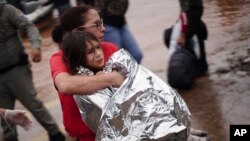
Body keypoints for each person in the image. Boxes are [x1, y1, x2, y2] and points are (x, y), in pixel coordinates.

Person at [50, 5, 124, 140]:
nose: (103, 28)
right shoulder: (61, 58)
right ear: (78, 31)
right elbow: (65, 85)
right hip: (83, 136)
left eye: (101, 22)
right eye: (96, 25)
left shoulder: (110, 49)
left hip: (116, 131)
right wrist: (111, 79)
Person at [0, 1, 65, 141]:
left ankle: (55, 134)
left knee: (33, 104)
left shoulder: (6, 10)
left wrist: (36, 46)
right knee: (5, 116)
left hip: (16, 68)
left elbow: (28, 26)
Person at [177, 0, 208, 76]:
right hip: (198, 9)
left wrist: (183, 35)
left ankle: (196, 67)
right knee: (200, 37)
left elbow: (184, 10)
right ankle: (203, 66)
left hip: (193, 12)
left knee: (185, 42)